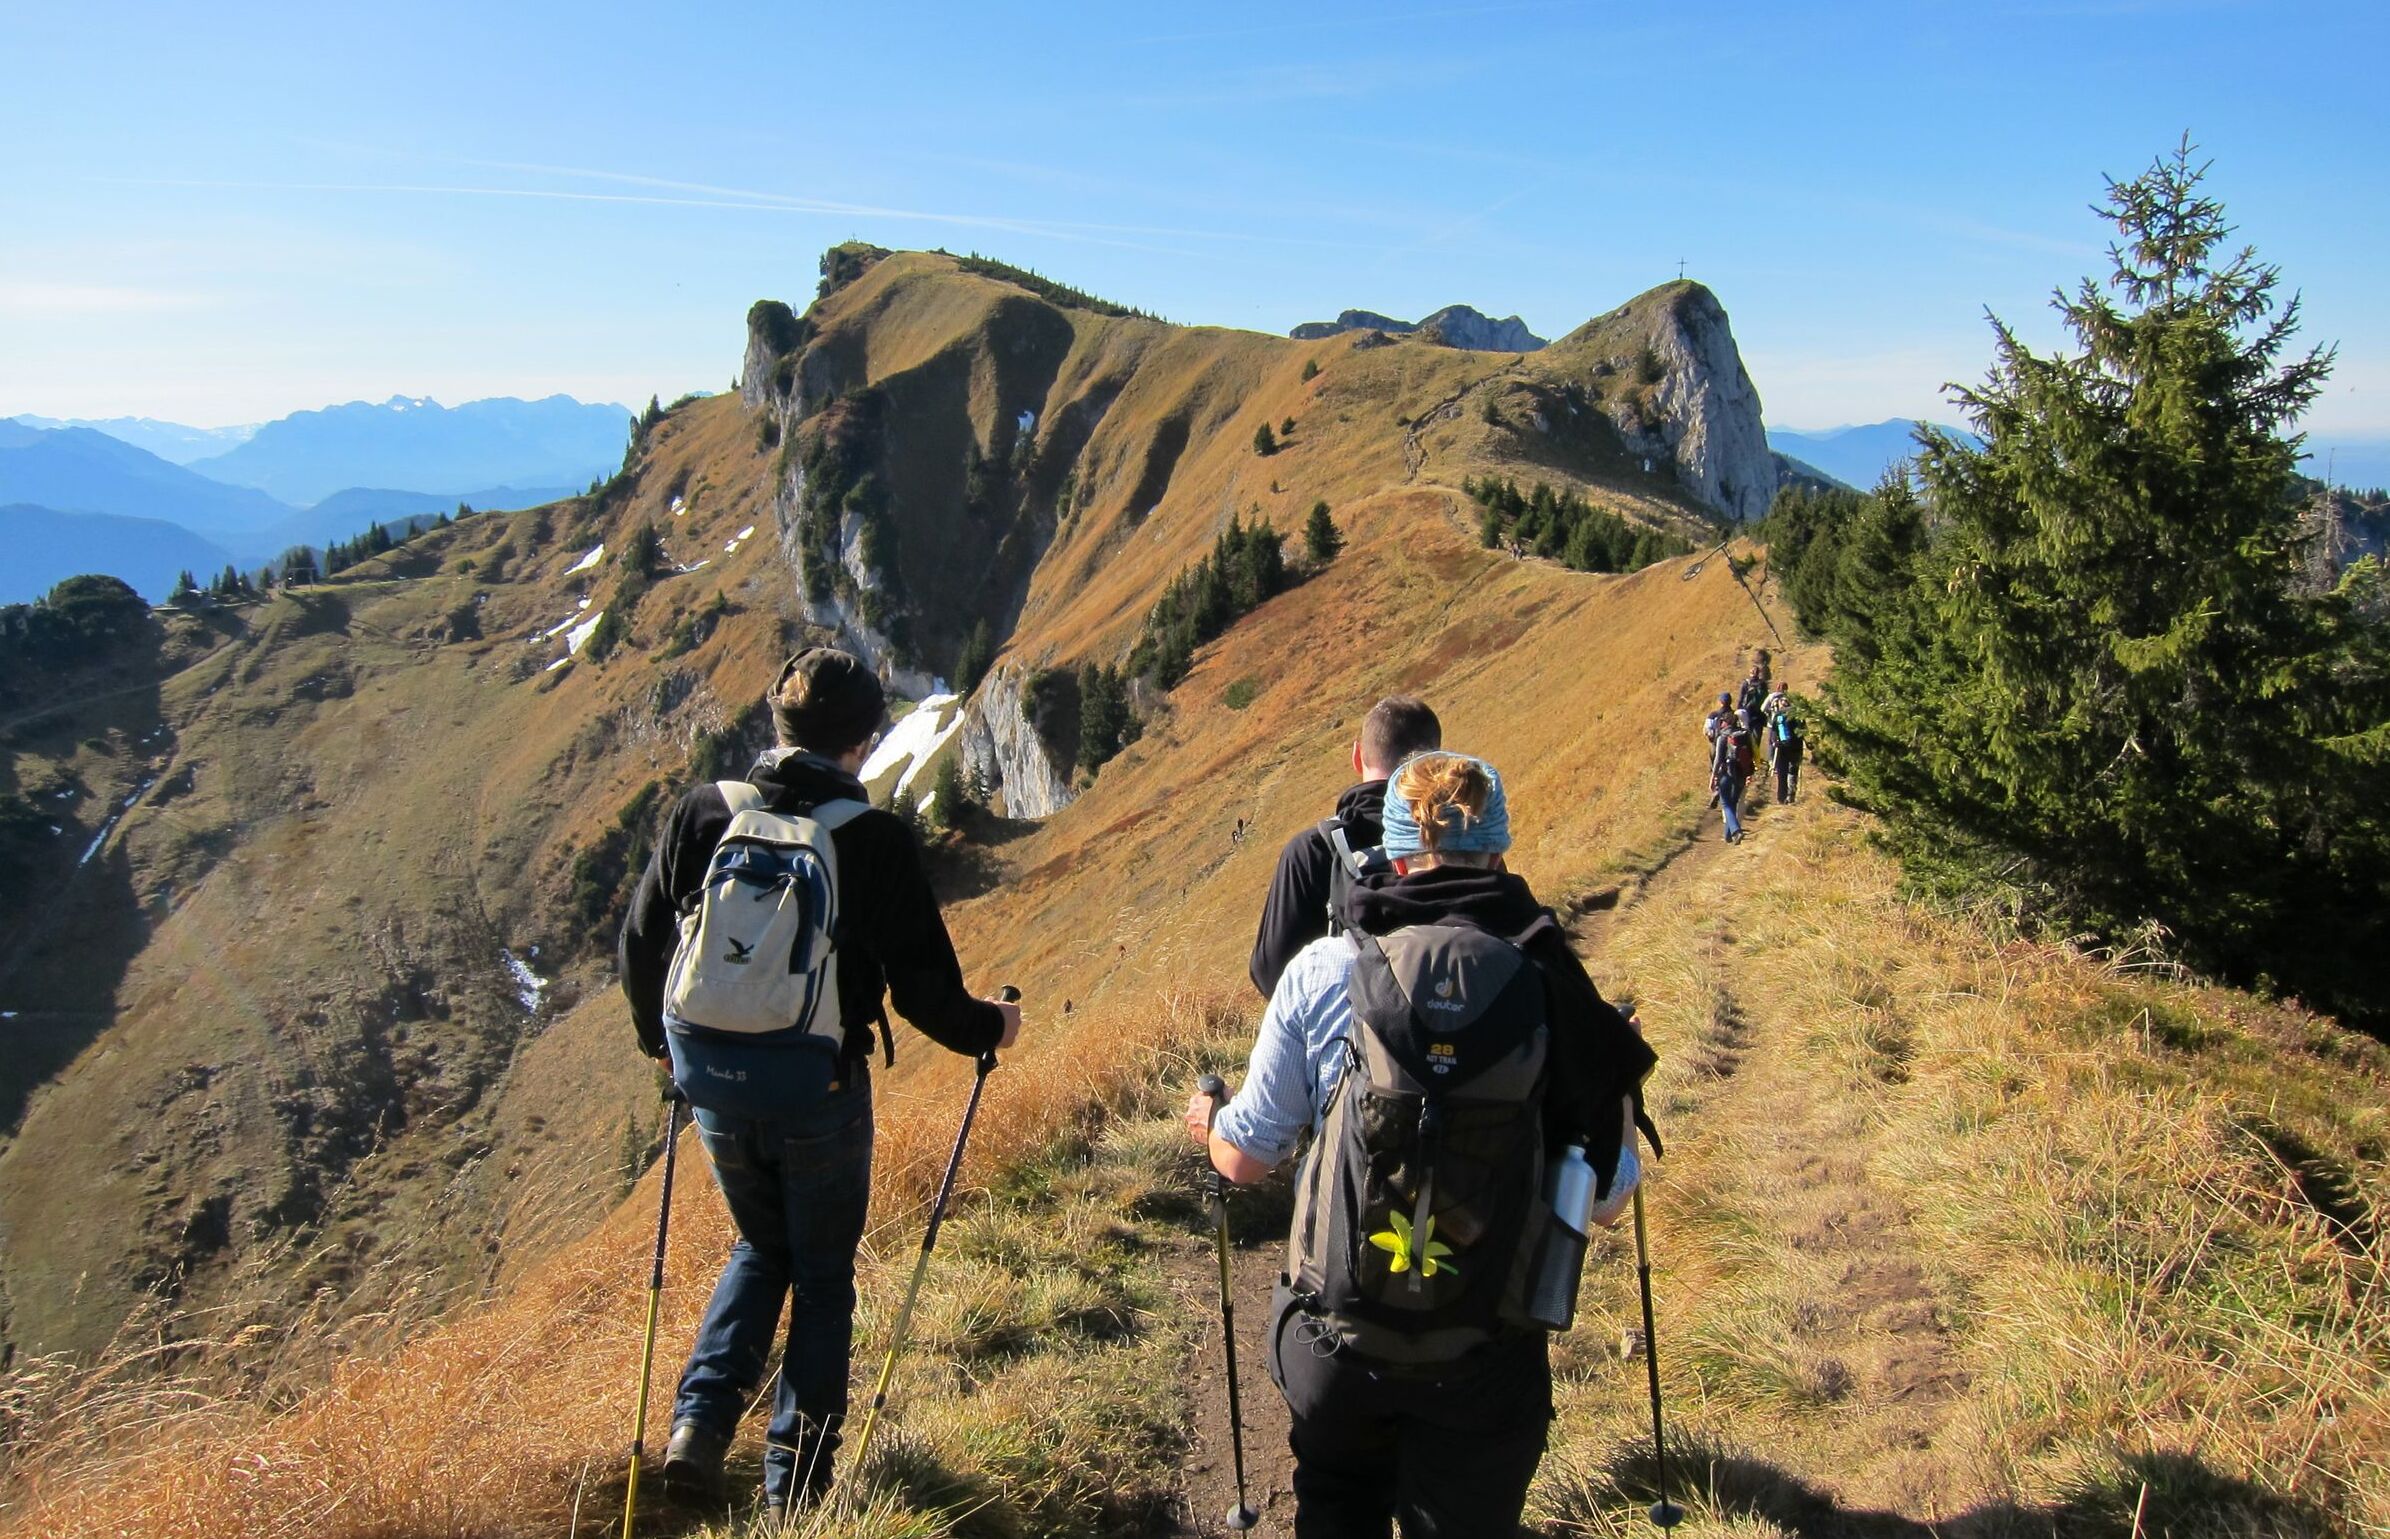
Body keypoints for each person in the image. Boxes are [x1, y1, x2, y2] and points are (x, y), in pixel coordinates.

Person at [1190, 752, 1656, 1539]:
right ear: (1500, 852)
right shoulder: (1549, 983)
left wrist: (1206, 1121)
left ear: (1395, 856)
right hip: (1486, 1358)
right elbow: (1607, 1201)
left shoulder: (1325, 970)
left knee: (1337, 1504)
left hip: (1335, 1348)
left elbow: (1245, 1159)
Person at [620, 647, 1022, 1516]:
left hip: (713, 1084)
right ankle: (792, 1487)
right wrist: (995, 1026)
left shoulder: (703, 813)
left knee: (761, 1246)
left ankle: (698, 1427)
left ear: (779, 723)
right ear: (867, 737)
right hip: (819, 1088)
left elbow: (640, 942)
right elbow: (927, 994)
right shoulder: (870, 839)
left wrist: (661, 1045)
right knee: (823, 1271)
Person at [1248, 695, 1442, 998]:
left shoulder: (1312, 851)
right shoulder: (1462, 841)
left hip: (1350, 1035)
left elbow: (1270, 972)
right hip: (1459, 1026)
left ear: (1357, 756)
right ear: (1436, 763)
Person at [1712, 709, 1753, 843]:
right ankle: (1728, 836)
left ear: (1726, 722)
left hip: (1727, 773)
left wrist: (1713, 776)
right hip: (1741, 773)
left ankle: (1736, 831)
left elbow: (1718, 759)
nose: (1720, 724)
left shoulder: (1722, 736)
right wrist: (1749, 773)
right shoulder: (1745, 734)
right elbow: (1751, 754)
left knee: (1726, 803)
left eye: (1722, 721)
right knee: (1733, 802)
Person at [1772, 708, 1804, 805]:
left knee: (1782, 772)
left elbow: (1773, 731)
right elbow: (1803, 731)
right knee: (1793, 771)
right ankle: (1791, 795)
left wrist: (1774, 742)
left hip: (1782, 746)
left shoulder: (1778, 715)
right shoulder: (1798, 714)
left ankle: (1781, 797)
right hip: (1796, 746)